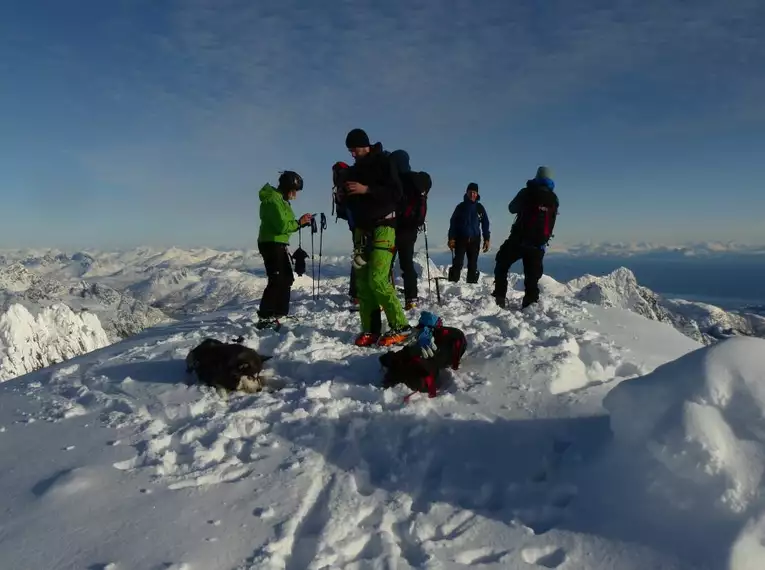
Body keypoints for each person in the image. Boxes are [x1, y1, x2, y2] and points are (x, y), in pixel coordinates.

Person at [339, 128, 411, 347]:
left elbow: (396, 193)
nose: (352, 154)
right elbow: (352, 203)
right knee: (363, 283)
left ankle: (401, 326)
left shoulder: (383, 163)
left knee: (378, 278)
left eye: (354, 149)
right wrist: (344, 197)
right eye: (349, 151)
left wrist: (366, 189)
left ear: (365, 145)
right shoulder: (353, 171)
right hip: (361, 230)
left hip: (384, 226)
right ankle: (370, 329)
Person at [492, 166, 559, 309]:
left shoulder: (527, 192)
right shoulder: (554, 199)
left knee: (502, 263)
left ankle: (499, 298)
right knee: (532, 278)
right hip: (539, 245)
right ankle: (530, 307)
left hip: (519, 240)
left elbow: (511, 208)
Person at [255, 171, 313, 330]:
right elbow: (281, 226)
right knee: (277, 279)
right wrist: (299, 222)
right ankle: (266, 317)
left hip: (278, 243)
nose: (295, 195)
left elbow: (286, 223)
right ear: (288, 188)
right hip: (271, 243)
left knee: (286, 278)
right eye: (294, 191)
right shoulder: (273, 201)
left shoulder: (281, 200)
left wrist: (300, 222)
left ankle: (280, 313)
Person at [389, 150, 430, 310]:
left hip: (393, 228)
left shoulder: (395, 180)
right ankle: (411, 298)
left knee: (386, 264)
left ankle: (387, 294)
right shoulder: (416, 180)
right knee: (407, 264)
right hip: (410, 230)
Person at [447, 182, 490, 283]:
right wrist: (451, 238)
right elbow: (453, 223)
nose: (472, 194)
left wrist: (486, 239)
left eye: (474, 192)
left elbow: (485, 223)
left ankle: (471, 286)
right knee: (457, 263)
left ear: (477, 194)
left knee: (472, 264)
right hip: (461, 238)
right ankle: (453, 285)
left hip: (475, 239)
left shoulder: (480, 208)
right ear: (466, 192)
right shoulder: (460, 207)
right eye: (470, 192)